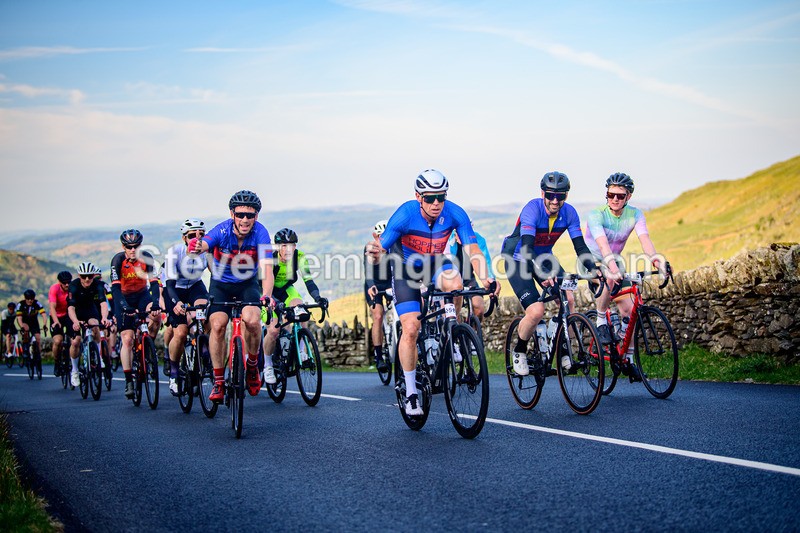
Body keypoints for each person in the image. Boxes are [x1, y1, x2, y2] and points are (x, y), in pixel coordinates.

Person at [365, 169, 499, 416]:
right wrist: (374, 253)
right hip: (406, 270)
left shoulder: (455, 213)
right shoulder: (405, 214)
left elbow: (473, 249)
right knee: (411, 329)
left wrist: (486, 278)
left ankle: (453, 331)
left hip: (436, 264)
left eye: (441, 197)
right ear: (418, 197)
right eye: (429, 198)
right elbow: (380, 249)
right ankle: (411, 392)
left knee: (456, 283)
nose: (436, 203)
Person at [502, 171, 597, 376]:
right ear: (542, 193)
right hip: (518, 259)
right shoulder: (532, 210)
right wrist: (543, 274)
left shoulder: (570, 213)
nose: (555, 200)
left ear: (566, 196)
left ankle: (563, 351)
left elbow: (580, 247)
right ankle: (519, 350)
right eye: (550, 195)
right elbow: (527, 249)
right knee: (536, 311)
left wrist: (594, 270)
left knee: (568, 299)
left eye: (560, 196)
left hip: (544, 256)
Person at [187, 190, 275, 403]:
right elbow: (205, 244)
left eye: (250, 215)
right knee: (217, 326)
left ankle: (252, 366)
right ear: (232, 214)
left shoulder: (261, 233)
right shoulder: (222, 230)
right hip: (221, 285)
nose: (245, 219)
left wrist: (266, 295)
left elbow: (267, 269)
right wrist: (197, 247)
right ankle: (218, 381)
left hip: (247, 284)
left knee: (253, 321)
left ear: (256, 216)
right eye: (240, 214)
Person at [584, 172, 666, 380]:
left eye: (620, 196)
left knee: (631, 309)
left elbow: (645, 239)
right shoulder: (596, 214)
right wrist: (612, 267)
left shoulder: (635, 214)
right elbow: (603, 245)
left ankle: (628, 359)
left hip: (615, 260)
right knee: (610, 276)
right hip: (591, 261)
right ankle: (601, 321)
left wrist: (657, 260)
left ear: (628, 196)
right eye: (611, 194)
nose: (614, 199)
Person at [260, 227, 326, 382]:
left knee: (301, 309)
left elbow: (309, 281)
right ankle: (268, 366)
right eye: (284, 245)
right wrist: (270, 301)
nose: (288, 249)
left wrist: (318, 298)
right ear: (278, 247)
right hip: (267, 292)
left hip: (286, 289)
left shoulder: (300, 257)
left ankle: (302, 350)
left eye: (291, 245)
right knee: (273, 330)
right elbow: (261, 283)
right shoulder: (270, 259)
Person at [110, 229, 162, 399]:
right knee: (127, 339)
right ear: (123, 247)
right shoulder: (117, 260)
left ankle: (148, 347)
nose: (132, 250)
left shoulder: (146, 257)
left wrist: (156, 303)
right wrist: (124, 307)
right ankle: (129, 382)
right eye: (129, 247)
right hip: (124, 298)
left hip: (142, 295)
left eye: (136, 246)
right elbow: (115, 290)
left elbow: (154, 283)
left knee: (156, 316)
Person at [163, 218, 209, 396]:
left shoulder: (206, 252)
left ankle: (203, 348)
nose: (197, 239)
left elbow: (217, 276)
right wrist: (176, 303)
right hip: (175, 289)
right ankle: (174, 373)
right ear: (184, 238)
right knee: (181, 333)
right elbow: (169, 285)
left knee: (206, 312)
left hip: (195, 287)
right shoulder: (174, 253)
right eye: (192, 236)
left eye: (201, 235)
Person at [67, 262, 112, 387]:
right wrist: (75, 322)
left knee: (95, 325)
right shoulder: (73, 286)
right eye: (83, 276)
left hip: (89, 309)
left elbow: (103, 304)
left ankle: (97, 356)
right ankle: (75, 371)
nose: (87, 279)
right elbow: (70, 308)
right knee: (76, 341)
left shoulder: (98, 285)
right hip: (75, 311)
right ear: (79, 276)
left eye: (90, 276)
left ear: (93, 275)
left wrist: (104, 317)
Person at [448, 219, 495, 322]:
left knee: (479, 308)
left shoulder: (478, 239)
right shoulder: (448, 240)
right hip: (450, 279)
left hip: (468, 278)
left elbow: (486, 261)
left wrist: (491, 281)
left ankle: (472, 331)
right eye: (458, 232)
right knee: (452, 314)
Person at [364, 219, 392, 371]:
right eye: (380, 236)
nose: (383, 239)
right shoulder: (371, 248)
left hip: (390, 284)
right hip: (374, 285)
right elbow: (368, 270)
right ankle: (379, 356)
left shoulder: (394, 247)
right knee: (378, 315)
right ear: (376, 236)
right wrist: (371, 285)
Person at [49, 271, 73, 376]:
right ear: (59, 282)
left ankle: (73, 361)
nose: (67, 285)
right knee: (58, 341)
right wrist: (56, 321)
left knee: (74, 339)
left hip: (68, 315)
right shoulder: (54, 289)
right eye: (64, 283)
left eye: (68, 282)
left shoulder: (72, 288)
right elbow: (52, 307)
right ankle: (57, 362)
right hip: (56, 316)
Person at [15, 289, 47, 357]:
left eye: (32, 299)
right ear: (25, 298)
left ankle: (38, 356)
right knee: (26, 330)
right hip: (23, 321)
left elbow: (44, 315)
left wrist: (44, 324)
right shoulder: (21, 304)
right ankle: (25, 349)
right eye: (28, 299)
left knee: (38, 339)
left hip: (34, 322)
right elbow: (19, 318)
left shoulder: (37, 303)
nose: (30, 300)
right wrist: (22, 327)